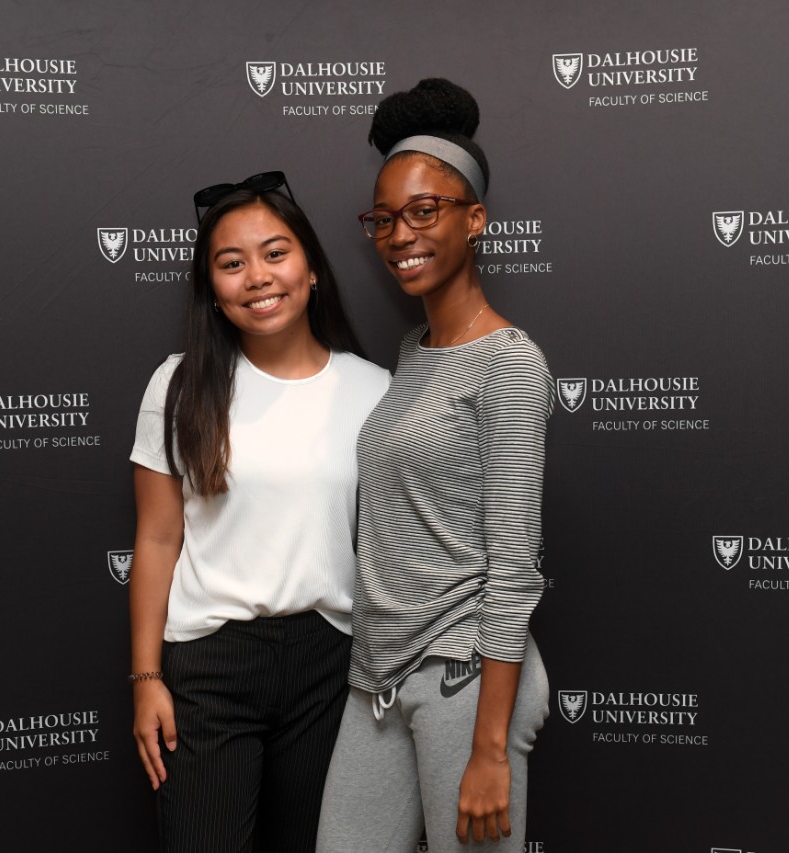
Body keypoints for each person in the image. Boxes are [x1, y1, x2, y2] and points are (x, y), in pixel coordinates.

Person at [317, 79, 554, 852]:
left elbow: (515, 568)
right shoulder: (412, 354)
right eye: (383, 218)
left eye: (424, 210)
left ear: (475, 218)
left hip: (465, 678)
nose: (399, 234)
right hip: (379, 676)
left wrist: (489, 750)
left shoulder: (510, 364)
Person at [129, 172, 390, 852]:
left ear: (310, 270)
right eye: (231, 262)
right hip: (211, 667)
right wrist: (146, 677)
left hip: (330, 663)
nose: (257, 276)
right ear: (212, 290)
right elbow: (157, 539)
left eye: (276, 253)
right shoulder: (180, 384)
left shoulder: (374, 391)